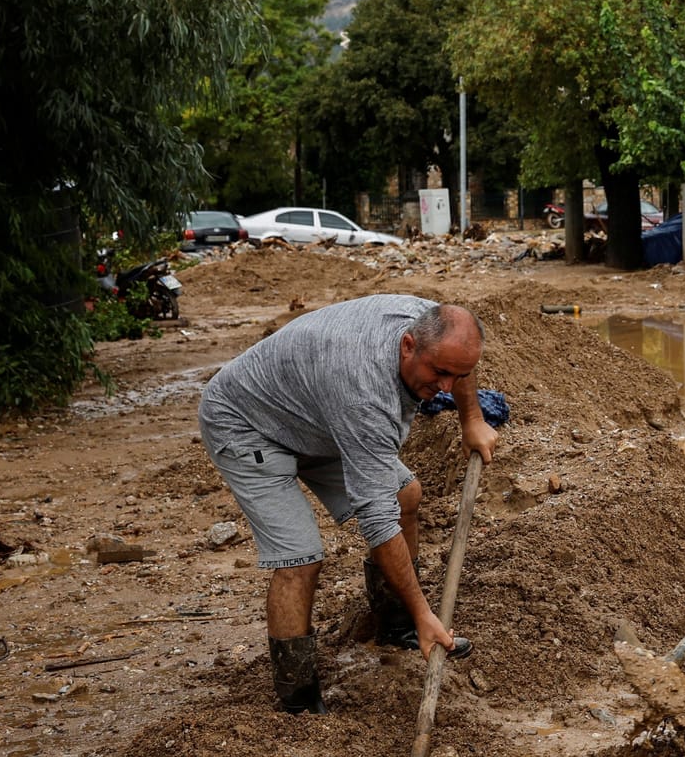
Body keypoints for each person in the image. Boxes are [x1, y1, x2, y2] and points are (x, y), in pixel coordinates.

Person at [197, 295, 499, 714]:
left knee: (404, 494)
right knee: (299, 558)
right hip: (247, 423)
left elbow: (458, 362)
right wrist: (426, 611)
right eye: (438, 374)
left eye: (456, 374)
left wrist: (472, 421)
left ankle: (397, 626)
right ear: (408, 345)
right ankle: (299, 701)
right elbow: (377, 520)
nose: (445, 387)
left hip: (315, 416)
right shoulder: (364, 392)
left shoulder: (434, 325)